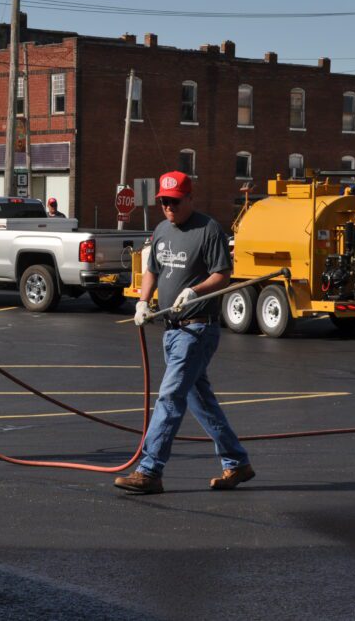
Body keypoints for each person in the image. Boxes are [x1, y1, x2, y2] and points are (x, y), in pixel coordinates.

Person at [114, 171, 254, 495]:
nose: (168, 207)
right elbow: (152, 269)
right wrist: (143, 302)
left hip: (198, 330)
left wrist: (194, 291)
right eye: (163, 201)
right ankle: (237, 462)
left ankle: (150, 470)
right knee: (200, 399)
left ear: (189, 198)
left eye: (174, 202)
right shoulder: (162, 230)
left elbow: (223, 275)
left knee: (170, 396)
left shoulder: (208, 230)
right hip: (172, 331)